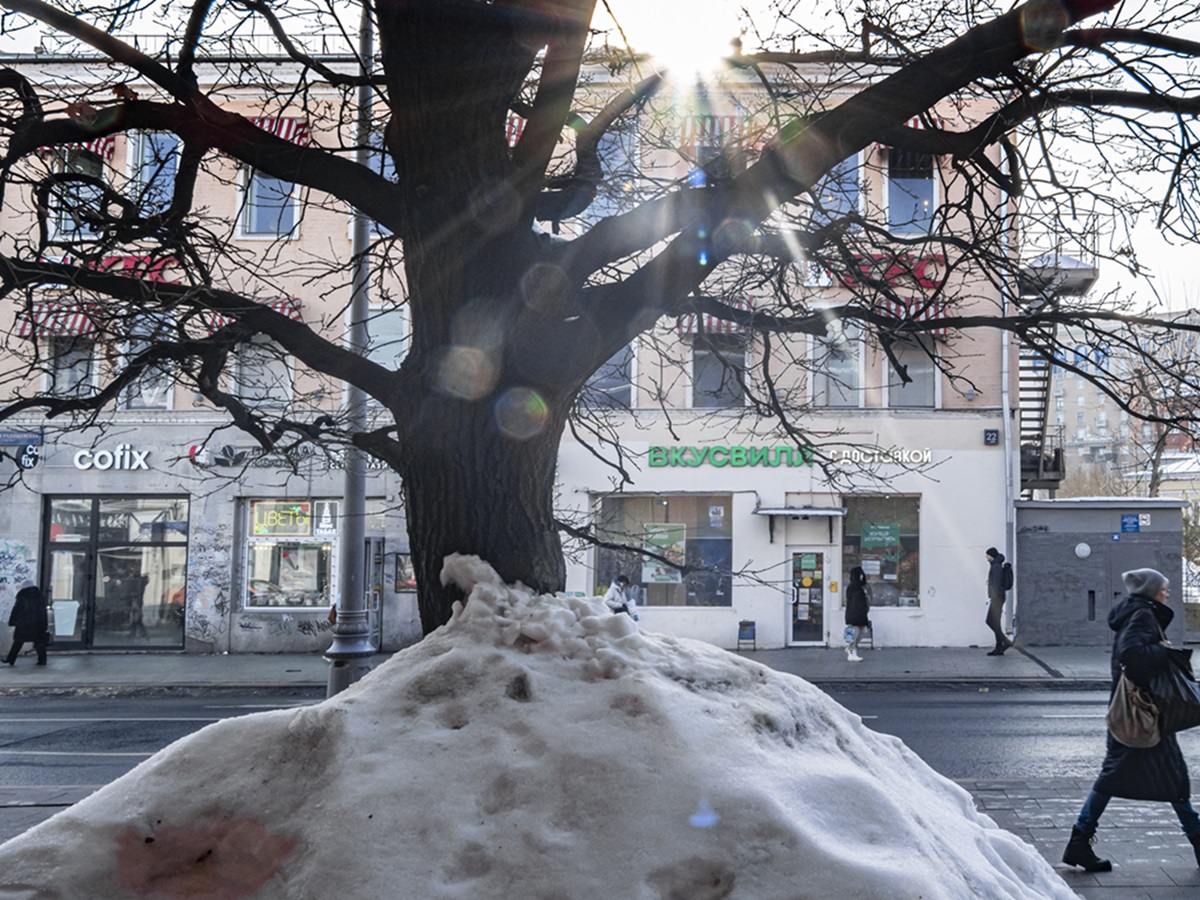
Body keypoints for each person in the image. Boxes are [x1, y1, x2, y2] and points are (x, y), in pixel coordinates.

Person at [1062, 568, 1200, 872]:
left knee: (1123, 778)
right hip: (1141, 715)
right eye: (1163, 588)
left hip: (1137, 715)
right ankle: (1079, 842)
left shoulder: (1139, 613)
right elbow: (1132, 654)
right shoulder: (1144, 616)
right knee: (1170, 781)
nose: (1166, 593)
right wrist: (1164, 651)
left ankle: (1079, 842)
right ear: (1151, 591)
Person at [5, 581, 49, 667]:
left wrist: (13, 621)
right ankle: (42, 660)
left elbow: (17, 609)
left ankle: (10, 659)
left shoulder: (22, 595)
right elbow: (43, 612)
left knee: (18, 642)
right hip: (38, 624)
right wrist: (44, 624)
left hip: (24, 624)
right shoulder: (40, 596)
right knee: (39, 643)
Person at [984, 547, 1013, 656]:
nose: (986, 557)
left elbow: (996, 584)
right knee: (995, 623)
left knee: (990, 621)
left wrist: (994, 597)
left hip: (997, 598)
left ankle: (1005, 642)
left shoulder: (995, 567)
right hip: (998, 597)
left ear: (991, 556)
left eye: (987, 555)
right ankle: (999, 647)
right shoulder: (996, 565)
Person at [844, 566, 870, 662]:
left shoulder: (860, 587)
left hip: (861, 614)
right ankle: (851, 652)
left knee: (863, 631)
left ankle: (851, 648)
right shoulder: (853, 588)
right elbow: (854, 603)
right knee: (854, 633)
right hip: (854, 615)